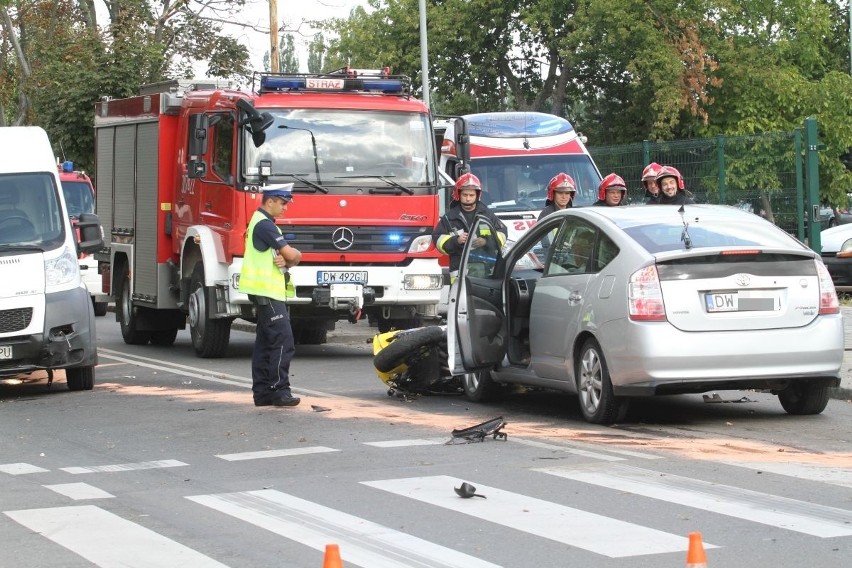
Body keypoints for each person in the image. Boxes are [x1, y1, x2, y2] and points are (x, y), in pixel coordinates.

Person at [239, 184, 303, 407]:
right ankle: (279, 390)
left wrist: (291, 258)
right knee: (283, 341)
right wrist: (294, 256)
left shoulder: (261, 222)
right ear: (270, 201)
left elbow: (289, 258)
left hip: (264, 292)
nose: (285, 208)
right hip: (267, 293)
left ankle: (263, 393)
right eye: (283, 203)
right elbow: (292, 255)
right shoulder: (265, 226)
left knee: (266, 343)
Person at [433, 172, 507, 275]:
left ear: (477, 195)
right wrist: (456, 241)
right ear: (458, 194)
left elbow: (503, 233)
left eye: (471, 195)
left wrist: (486, 241)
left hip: (486, 271)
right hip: (459, 272)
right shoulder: (449, 217)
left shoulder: (487, 214)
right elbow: (437, 239)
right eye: (465, 195)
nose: (468, 198)